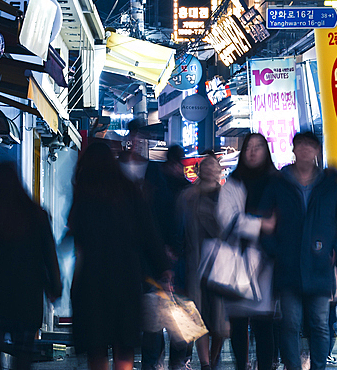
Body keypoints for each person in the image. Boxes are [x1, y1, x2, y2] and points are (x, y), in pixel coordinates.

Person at [69, 141, 170, 370]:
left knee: (96, 346)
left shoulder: (84, 193)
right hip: (126, 276)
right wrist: (163, 268)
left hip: (92, 279)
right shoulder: (129, 190)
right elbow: (149, 233)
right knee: (123, 343)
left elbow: (77, 233)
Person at [261, 132, 337, 370]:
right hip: (288, 265)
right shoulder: (278, 184)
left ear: (316, 151)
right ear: (293, 150)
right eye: (300, 145)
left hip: (320, 266)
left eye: (310, 146)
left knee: (320, 324)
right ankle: (292, 366)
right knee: (290, 324)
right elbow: (262, 221)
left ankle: (319, 367)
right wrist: (275, 250)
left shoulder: (330, 187)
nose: (304, 150)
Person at [0, 162, 62, 370]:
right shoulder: (36, 216)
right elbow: (49, 256)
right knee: (23, 355)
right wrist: (54, 287)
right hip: (26, 295)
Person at [218, 133, 278, 370]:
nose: (253, 152)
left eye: (258, 147)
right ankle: (241, 366)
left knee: (265, 323)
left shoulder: (277, 182)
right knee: (239, 322)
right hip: (238, 259)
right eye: (249, 148)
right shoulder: (233, 182)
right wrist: (261, 224)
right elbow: (226, 219)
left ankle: (266, 365)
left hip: (268, 261)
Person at [143, 145, 192, 370]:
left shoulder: (158, 183)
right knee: (175, 308)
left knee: (159, 311)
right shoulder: (182, 188)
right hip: (174, 256)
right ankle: (176, 360)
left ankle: (159, 360)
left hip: (161, 255)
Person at [177, 153, 228, 370]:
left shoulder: (227, 197)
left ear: (219, 172)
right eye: (205, 166)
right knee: (199, 317)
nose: (209, 170)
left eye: (213, 166)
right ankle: (206, 363)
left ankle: (213, 359)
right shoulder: (187, 197)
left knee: (220, 320)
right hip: (195, 263)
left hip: (222, 265)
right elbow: (178, 230)